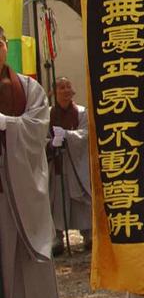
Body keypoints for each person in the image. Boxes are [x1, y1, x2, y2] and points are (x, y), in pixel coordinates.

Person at [0, 25, 59, 298]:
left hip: (21, 186)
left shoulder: (28, 87)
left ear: (4, 47)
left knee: (21, 257)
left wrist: (7, 125)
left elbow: (38, 127)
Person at [47, 76, 91, 256]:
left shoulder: (81, 112)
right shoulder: (48, 114)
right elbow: (39, 138)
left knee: (81, 199)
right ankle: (57, 237)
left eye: (68, 87)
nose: (65, 91)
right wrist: (51, 143)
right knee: (55, 199)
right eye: (61, 87)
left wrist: (68, 135)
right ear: (53, 93)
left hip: (76, 163)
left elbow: (86, 134)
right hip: (57, 163)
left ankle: (88, 234)